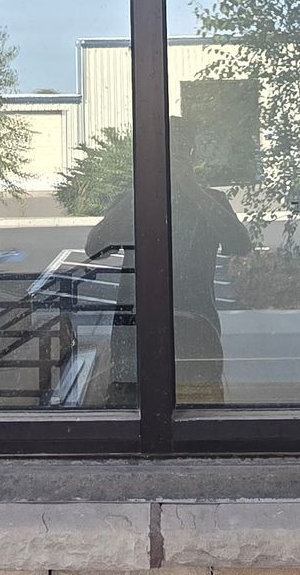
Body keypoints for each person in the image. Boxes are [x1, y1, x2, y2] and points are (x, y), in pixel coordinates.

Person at [86, 124, 252, 396]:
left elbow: (241, 244)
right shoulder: (134, 200)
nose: (173, 161)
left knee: (201, 406)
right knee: (130, 403)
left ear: (192, 157)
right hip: (135, 333)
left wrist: (193, 190)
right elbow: (94, 247)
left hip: (196, 331)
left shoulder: (211, 201)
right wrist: (142, 190)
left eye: (180, 153)